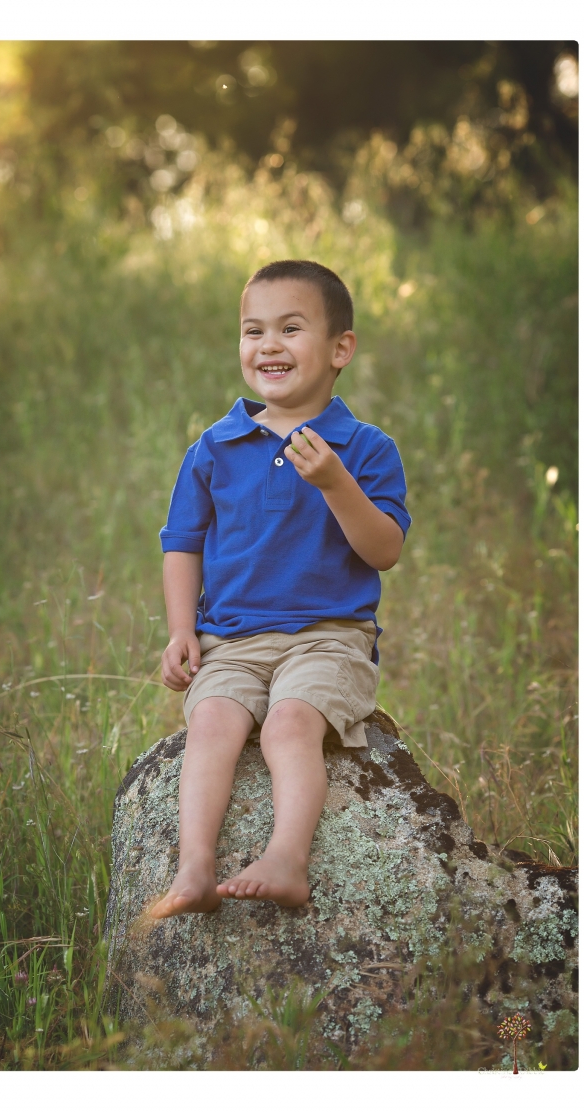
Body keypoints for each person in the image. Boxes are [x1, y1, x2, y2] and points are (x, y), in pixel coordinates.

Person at [149, 259, 411, 919]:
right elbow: (182, 542)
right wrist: (182, 630)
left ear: (339, 348)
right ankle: (194, 867)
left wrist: (335, 483)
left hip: (328, 637)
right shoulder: (214, 446)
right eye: (253, 330)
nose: (268, 345)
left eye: (291, 329)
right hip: (231, 639)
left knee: (290, 724)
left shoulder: (366, 448)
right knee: (212, 722)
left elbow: (384, 550)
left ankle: (287, 860)